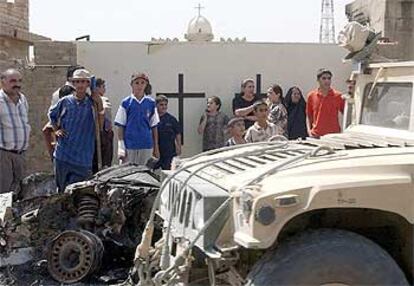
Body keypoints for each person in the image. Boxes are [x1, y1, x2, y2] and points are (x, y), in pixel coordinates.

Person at [49, 69, 104, 192]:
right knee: (61, 192)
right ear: (73, 84)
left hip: (83, 158)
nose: (80, 85)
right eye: (77, 81)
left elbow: (99, 127)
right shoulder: (65, 102)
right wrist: (56, 130)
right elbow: (52, 116)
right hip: (63, 155)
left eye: (83, 82)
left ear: (88, 84)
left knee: (80, 193)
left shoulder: (92, 104)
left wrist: (99, 103)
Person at [114, 72, 160, 165]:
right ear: (131, 85)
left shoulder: (150, 103)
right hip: (130, 145)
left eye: (142, 83)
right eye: (137, 83)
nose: (139, 86)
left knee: (145, 172)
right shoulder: (126, 103)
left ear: (146, 85)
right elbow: (120, 125)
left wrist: (156, 147)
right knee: (128, 173)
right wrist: (121, 146)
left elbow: (154, 126)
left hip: (146, 144)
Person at [42, 65, 85, 159]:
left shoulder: (81, 92)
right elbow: (54, 115)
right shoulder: (63, 92)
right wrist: (57, 129)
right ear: (71, 78)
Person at [0, 69, 31, 194]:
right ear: (3, 82)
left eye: (19, 81)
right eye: (12, 81)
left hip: (21, 155)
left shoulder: (23, 100)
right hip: (3, 156)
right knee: (4, 193)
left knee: (20, 192)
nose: (17, 84)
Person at [306, 68, 345, 138]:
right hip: (316, 135)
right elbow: (309, 116)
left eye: (329, 78)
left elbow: (346, 114)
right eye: (324, 78)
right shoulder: (311, 96)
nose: (327, 81)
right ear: (318, 80)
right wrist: (309, 131)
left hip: (334, 136)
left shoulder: (338, 96)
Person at [154, 95, 182, 170]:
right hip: (155, 150)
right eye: (161, 105)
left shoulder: (171, 119)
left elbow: (178, 134)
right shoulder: (152, 118)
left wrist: (179, 147)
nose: (164, 107)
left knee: (167, 171)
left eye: (165, 105)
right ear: (156, 105)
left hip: (169, 151)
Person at [92, 78, 113, 173]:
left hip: (93, 134)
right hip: (104, 133)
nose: (105, 89)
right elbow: (106, 112)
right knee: (105, 162)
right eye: (103, 87)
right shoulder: (103, 99)